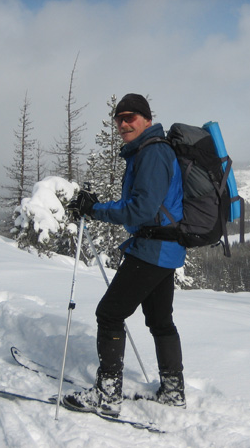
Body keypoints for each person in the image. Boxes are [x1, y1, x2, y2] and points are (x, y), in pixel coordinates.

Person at [64, 93, 187, 417]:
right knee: (160, 320)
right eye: (118, 119)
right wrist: (98, 207)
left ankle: (107, 395)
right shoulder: (149, 151)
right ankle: (173, 391)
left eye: (130, 117)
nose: (122, 124)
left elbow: (141, 209)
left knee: (109, 314)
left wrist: (94, 209)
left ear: (146, 119)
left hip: (153, 248)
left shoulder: (153, 152)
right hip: (165, 248)